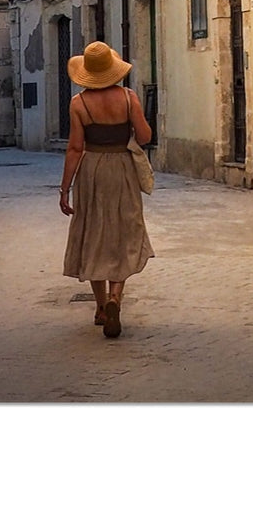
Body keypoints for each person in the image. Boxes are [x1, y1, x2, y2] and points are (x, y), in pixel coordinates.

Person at [60, 41, 154, 338]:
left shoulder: (79, 104)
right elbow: (145, 135)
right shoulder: (128, 98)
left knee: (93, 232)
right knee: (123, 232)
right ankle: (116, 297)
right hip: (123, 169)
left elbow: (75, 148)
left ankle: (100, 307)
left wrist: (64, 189)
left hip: (92, 171)